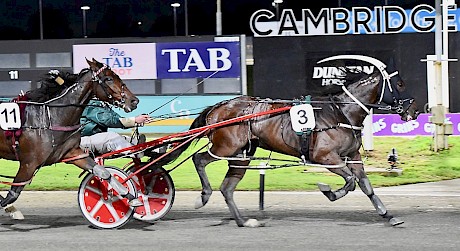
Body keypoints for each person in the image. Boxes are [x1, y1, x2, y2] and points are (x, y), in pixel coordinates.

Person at [80, 99, 151, 157]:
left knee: (126, 139)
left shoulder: (102, 104)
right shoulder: (89, 104)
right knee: (112, 137)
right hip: (81, 141)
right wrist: (134, 120)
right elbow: (108, 120)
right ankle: (134, 152)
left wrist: (137, 121)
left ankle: (152, 150)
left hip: (94, 139)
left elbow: (118, 119)